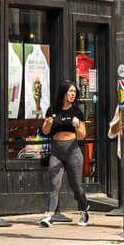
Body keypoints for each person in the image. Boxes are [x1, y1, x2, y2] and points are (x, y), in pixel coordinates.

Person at [38, 80, 89, 227]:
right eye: (70, 91)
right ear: (63, 93)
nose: (73, 94)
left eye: (74, 92)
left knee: (76, 185)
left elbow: (82, 135)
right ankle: (49, 215)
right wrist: (47, 124)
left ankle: (84, 210)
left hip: (73, 149)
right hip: (56, 149)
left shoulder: (77, 112)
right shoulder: (52, 110)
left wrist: (78, 126)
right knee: (54, 183)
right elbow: (45, 131)